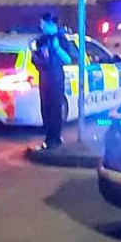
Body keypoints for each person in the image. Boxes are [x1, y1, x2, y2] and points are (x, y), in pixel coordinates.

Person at [31, 13, 72, 149]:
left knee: (55, 109)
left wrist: (57, 48)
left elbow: (68, 59)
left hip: (56, 79)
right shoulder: (41, 40)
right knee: (46, 109)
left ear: (51, 24)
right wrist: (36, 54)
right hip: (44, 78)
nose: (41, 26)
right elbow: (35, 58)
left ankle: (56, 138)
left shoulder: (61, 39)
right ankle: (48, 139)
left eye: (43, 24)